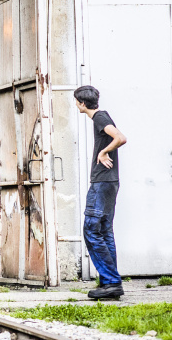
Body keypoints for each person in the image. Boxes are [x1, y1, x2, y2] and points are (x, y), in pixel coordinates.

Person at [74, 85, 127, 299]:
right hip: (110, 182)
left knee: (91, 230)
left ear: (82, 103)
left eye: (76, 101)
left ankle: (112, 282)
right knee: (104, 231)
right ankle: (109, 283)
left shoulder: (99, 118)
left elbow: (120, 137)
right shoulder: (102, 116)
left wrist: (104, 151)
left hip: (102, 182)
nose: (76, 104)